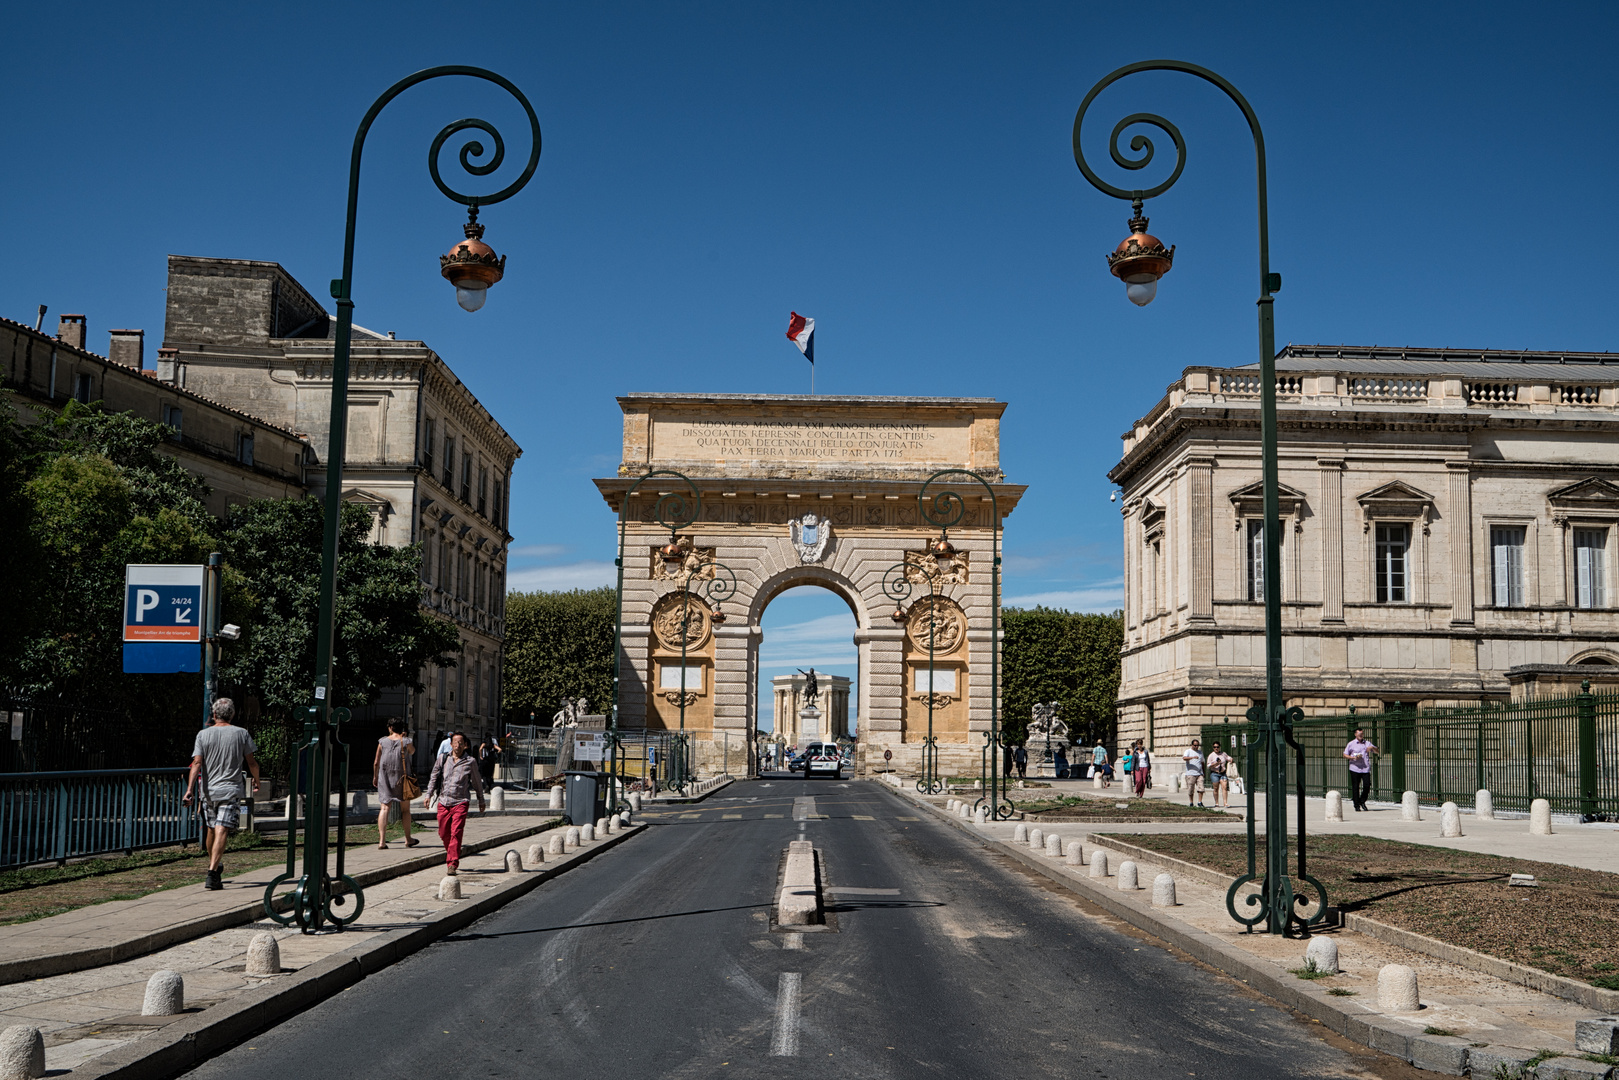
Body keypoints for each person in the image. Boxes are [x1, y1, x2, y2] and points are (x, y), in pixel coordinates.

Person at [182, 698, 260, 890]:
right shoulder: (241, 734)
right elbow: (251, 762)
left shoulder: (203, 735)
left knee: (212, 829)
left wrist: (189, 790)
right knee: (221, 829)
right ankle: (212, 872)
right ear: (232, 714)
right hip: (230, 790)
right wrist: (256, 778)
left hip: (208, 792)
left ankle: (213, 868)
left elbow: (197, 763)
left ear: (214, 715)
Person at [424, 732, 485, 875]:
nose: (458, 745)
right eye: (455, 742)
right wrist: (428, 795)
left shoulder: (470, 761)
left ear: (465, 745)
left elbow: (476, 782)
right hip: (444, 801)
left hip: (461, 802)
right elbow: (434, 776)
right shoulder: (443, 758)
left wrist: (481, 799)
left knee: (456, 833)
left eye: (461, 742)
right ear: (450, 744)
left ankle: (452, 863)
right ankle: (452, 851)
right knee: (443, 832)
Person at [373, 719, 419, 850]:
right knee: (405, 810)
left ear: (390, 728)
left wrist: (375, 776)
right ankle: (408, 839)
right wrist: (405, 738)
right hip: (403, 779)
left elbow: (376, 762)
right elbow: (412, 752)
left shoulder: (382, 741)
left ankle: (382, 841)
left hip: (385, 778)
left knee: (384, 808)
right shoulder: (406, 741)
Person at [1343, 727, 1380, 811]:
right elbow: (1345, 754)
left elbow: (1377, 751)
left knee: (1367, 785)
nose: (1361, 736)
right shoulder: (1351, 744)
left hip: (1365, 768)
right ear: (1355, 734)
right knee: (1355, 786)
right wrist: (1352, 757)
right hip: (1354, 768)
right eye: (1359, 734)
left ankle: (1362, 801)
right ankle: (1356, 805)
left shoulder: (1367, 743)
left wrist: (1372, 748)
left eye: (1362, 734)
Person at [1206, 740, 1232, 810]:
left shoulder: (1223, 754)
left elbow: (1228, 758)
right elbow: (1208, 765)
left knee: (1224, 787)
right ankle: (1216, 802)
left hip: (1223, 773)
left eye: (1217, 747)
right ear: (1213, 747)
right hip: (1215, 773)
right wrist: (1214, 764)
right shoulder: (1211, 755)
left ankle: (1225, 802)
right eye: (1214, 747)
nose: (1216, 748)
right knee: (1216, 788)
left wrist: (1231, 759)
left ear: (1219, 747)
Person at [1182, 738, 1206, 807]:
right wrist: (1192, 757)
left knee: (1201, 788)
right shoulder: (1188, 751)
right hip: (1190, 773)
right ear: (1192, 745)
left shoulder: (1200, 752)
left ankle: (1200, 802)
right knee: (1191, 789)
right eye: (1195, 745)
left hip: (1199, 773)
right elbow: (1184, 758)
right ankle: (1191, 802)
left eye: (1197, 745)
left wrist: (1203, 772)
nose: (1196, 747)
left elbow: (1202, 762)